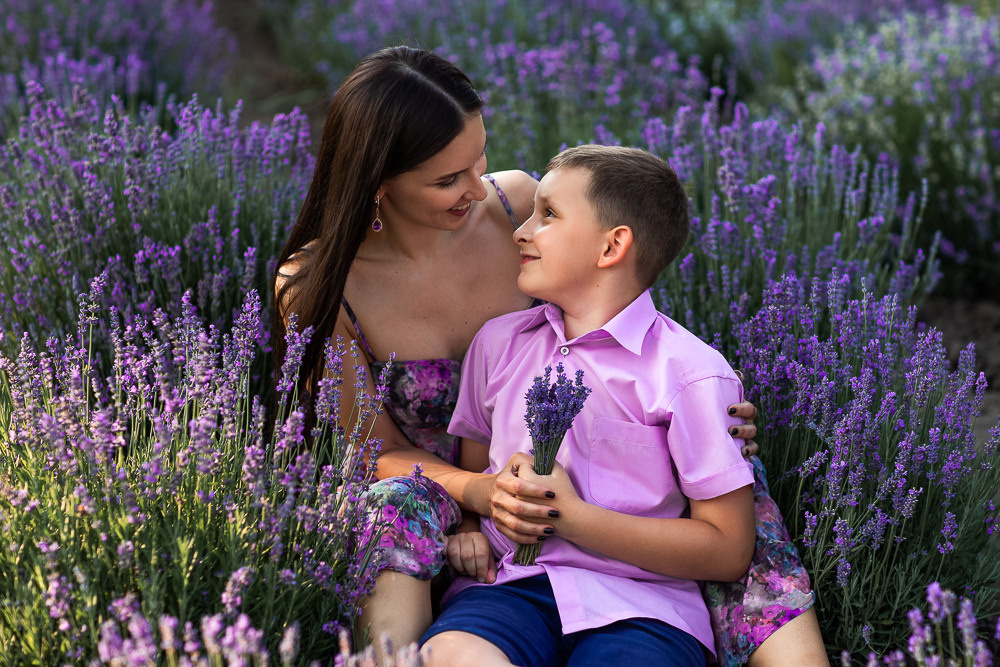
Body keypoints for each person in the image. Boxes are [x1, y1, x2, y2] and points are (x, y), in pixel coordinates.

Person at [272, 46, 824, 665]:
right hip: (463, 504)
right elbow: (371, 451)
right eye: (447, 180)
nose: (476, 189)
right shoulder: (319, 285)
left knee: (742, 497)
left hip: (602, 495)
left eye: (480, 158)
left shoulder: (514, 202)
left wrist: (706, 403)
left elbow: (613, 312)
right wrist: (479, 496)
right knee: (392, 510)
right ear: (379, 183)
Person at [418, 145, 812, 666]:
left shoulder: (690, 373)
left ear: (612, 247)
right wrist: (471, 530)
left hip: (643, 609)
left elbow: (726, 549)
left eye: (548, 214)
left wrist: (569, 517)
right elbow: (477, 478)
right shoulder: (497, 344)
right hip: (508, 588)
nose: (521, 231)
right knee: (448, 656)